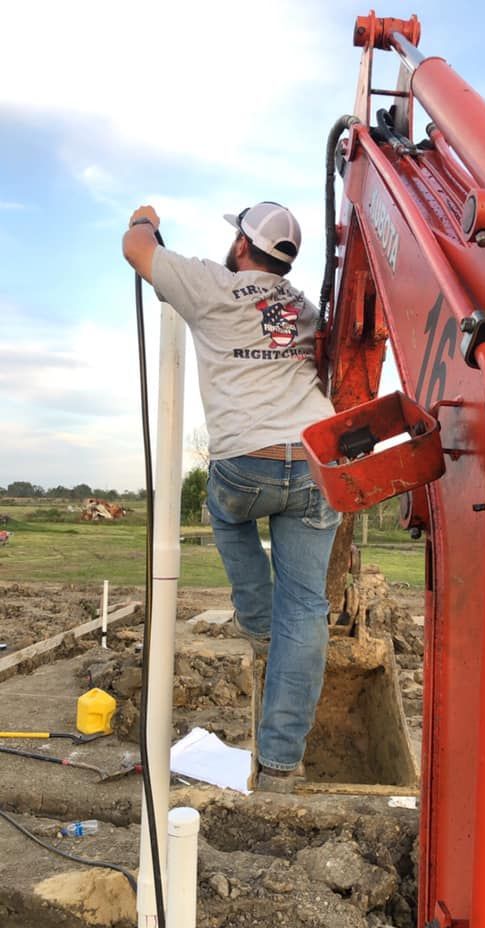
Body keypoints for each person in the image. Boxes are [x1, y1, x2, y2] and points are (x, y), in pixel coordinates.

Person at [123, 201, 340, 792]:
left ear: (243, 246)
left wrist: (144, 219)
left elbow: (137, 251)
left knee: (224, 509)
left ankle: (255, 617)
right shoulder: (305, 309)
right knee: (307, 608)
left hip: (248, 459)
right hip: (318, 460)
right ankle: (278, 768)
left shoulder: (212, 284)